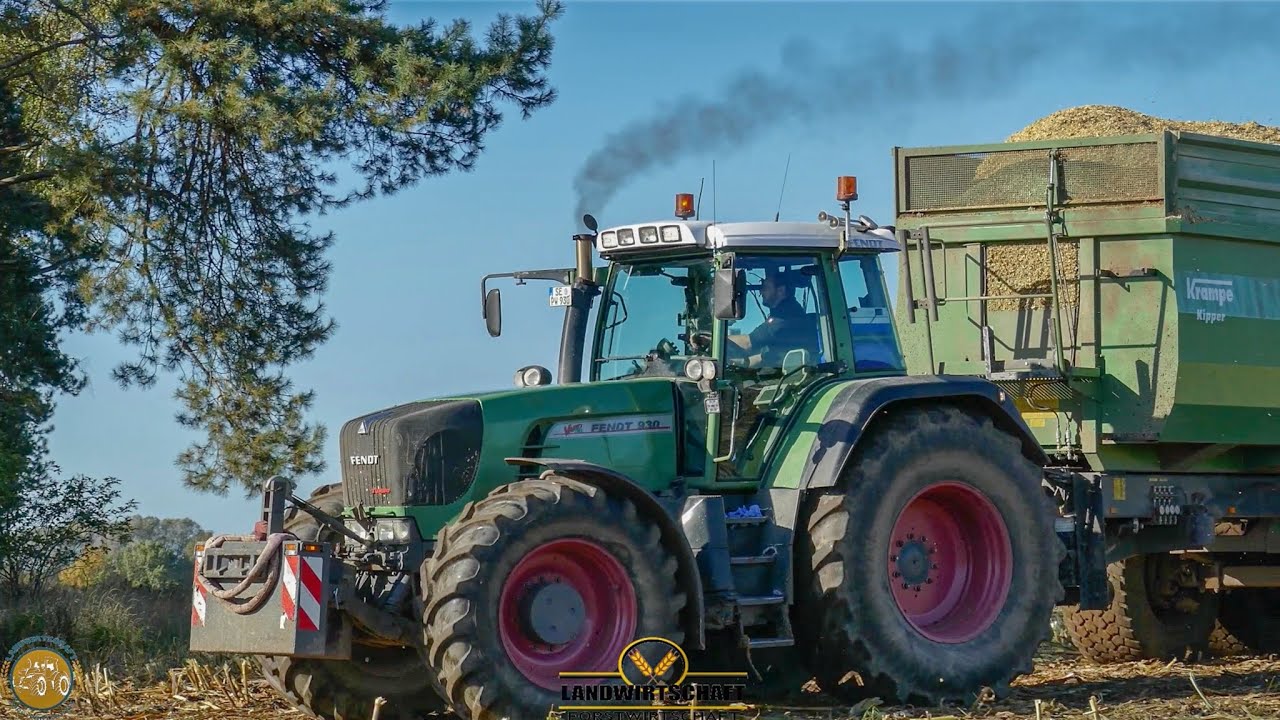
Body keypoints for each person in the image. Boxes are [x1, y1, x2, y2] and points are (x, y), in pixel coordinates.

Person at [726, 269, 815, 368]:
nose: (761, 291)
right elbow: (766, 357)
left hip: (785, 376)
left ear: (781, 290)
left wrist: (716, 341)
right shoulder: (782, 312)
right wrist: (741, 363)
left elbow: (748, 343)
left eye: (765, 287)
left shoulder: (785, 316)